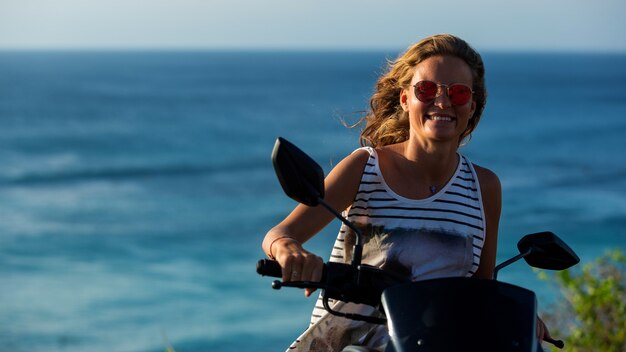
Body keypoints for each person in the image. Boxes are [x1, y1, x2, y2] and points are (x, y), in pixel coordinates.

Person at [262, 34, 549, 351]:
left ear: (472, 105)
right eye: (426, 89)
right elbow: (280, 233)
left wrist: (515, 314)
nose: (442, 101)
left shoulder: (484, 187)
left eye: (457, 92)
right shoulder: (366, 169)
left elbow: (480, 291)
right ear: (405, 99)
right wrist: (290, 251)